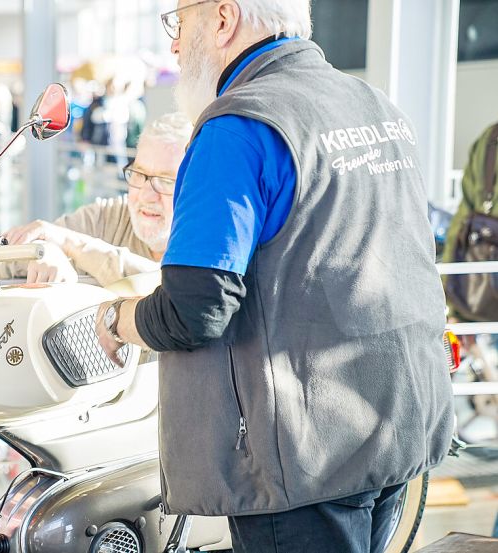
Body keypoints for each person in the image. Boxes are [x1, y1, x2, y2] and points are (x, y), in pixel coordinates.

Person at [92, 2, 454, 552]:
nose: (173, 46)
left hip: (303, 460)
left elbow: (195, 308)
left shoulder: (238, 128)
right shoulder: (373, 106)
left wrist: (116, 321)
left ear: (222, 18)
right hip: (397, 423)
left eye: (178, 24)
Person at [0, 112, 192, 286]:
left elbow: (169, 286)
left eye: (166, 181)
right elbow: (4, 256)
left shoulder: (207, 239)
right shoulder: (110, 217)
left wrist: (72, 244)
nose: (146, 195)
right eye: (139, 174)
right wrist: (44, 250)